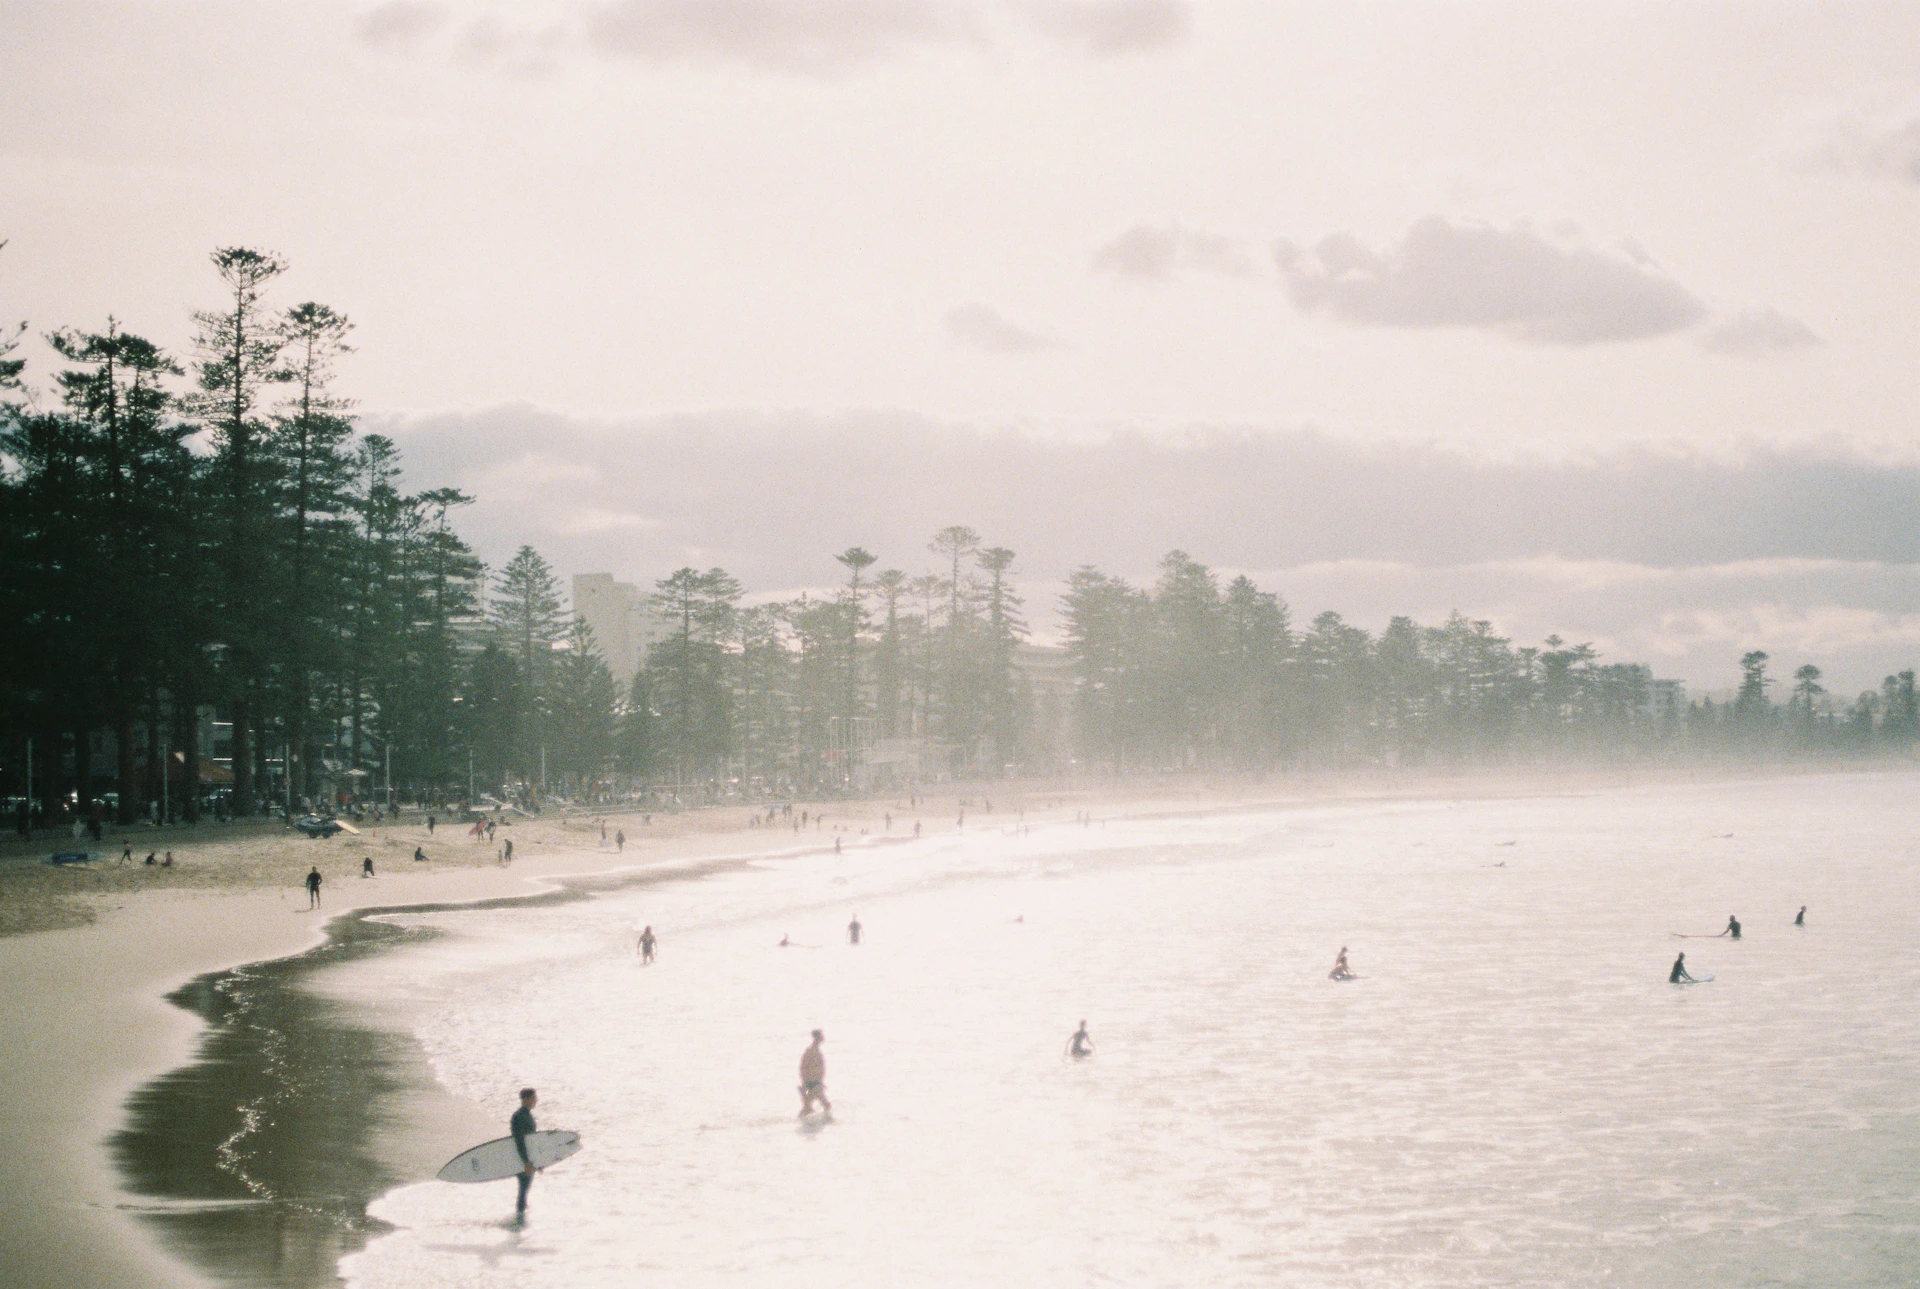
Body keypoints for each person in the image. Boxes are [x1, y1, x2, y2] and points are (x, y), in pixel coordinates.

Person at [511, 1087, 539, 1215]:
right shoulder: (518, 1116)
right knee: (523, 1188)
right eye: (533, 1098)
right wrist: (525, 1162)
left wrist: (540, 1161)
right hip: (522, 1158)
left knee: (525, 1189)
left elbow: (532, 1141)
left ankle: (521, 1217)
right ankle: (519, 1219)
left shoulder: (527, 1115)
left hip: (529, 1158)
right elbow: (519, 1141)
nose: (536, 1100)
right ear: (526, 1099)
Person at [798, 1031, 830, 1117]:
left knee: (807, 1107)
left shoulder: (816, 1051)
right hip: (813, 1084)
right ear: (817, 1038)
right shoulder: (810, 1051)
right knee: (826, 1105)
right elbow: (803, 1067)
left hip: (816, 1083)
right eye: (821, 1036)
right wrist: (805, 1083)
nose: (823, 1038)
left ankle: (801, 1121)